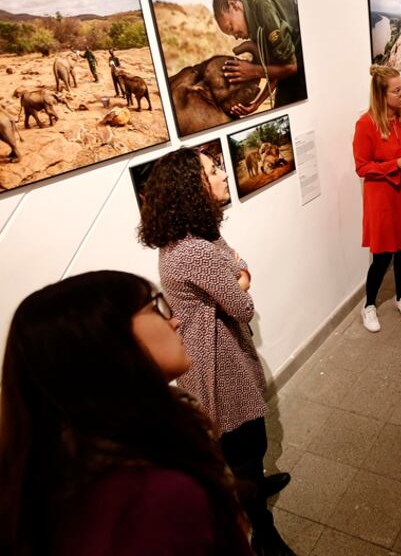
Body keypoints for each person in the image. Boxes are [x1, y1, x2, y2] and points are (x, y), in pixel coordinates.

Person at [0, 271, 253, 554]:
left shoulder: (54, 475)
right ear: (106, 341)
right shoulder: (153, 500)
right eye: (154, 307)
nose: (175, 321)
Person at [137, 147, 293, 555]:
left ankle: (255, 481)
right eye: (213, 170)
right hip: (217, 362)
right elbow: (243, 303)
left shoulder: (193, 238)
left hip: (217, 350)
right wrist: (239, 281)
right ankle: (263, 531)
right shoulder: (195, 250)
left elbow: (238, 262)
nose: (224, 174)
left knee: (245, 446)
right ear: (194, 187)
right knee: (244, 446)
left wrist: (236, 277)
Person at [353, 65, 401, 332]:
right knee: (382, 255)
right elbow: (362, 167)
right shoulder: (366, 124)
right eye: (397, 90)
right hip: (382, 197)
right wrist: (393, 165)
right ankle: (369, 305)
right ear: (381, 94)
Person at [214, 0, 307, 110]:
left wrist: (252, 71)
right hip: (288, 77)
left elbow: (291, 67)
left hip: (306, 71)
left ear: (233, 5)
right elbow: (277, 71)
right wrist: (256, 104)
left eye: (231, 28)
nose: (235, 36)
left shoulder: (262, 5)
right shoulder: (254, 29)